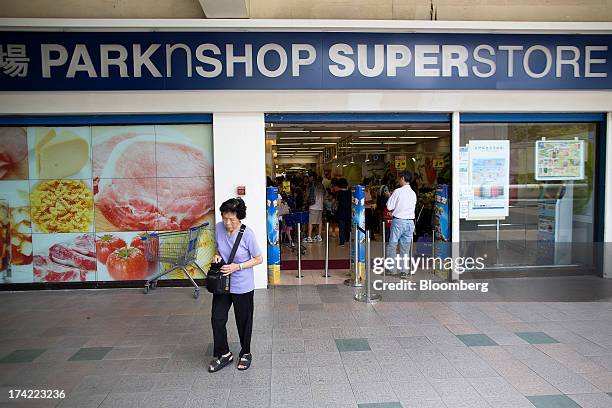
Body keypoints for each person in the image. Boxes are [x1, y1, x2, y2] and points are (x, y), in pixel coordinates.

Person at [209, 198, 263, 373]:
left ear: (239, 218)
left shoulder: (248, 234)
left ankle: (245, 353)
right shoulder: (218, 228)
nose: (227, 222)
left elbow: (258, 259)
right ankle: (223, 353)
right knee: (217, 318)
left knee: (243, 321)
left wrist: (237, 266)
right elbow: (219, 248)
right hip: (223, 284)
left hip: (242, 285)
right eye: (225, 218)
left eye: (231, 219)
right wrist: (217, 256)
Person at [386, 171, 417, 279]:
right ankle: (404, 271)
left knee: (393, 245)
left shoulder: (398, 191)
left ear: (403, 178)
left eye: (399, 178)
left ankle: (392, 269)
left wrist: (389, 196)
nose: (399, 180)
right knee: (405, 247)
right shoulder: (413, 193)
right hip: (410, 222)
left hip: (399, 221)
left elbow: (389, 206)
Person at [305, 175, 325, 243]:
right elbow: (325, 194)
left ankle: (309, 237)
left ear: (312, 177)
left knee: (311, 222)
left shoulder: (311, 185)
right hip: (320, 206)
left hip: (313, 206)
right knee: (319, 221)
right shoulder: (321, 185)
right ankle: (319, 236)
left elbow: (307, 195)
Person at [335, 178, 352, 247]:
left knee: (341, 227)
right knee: (348, 226)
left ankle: (342, 242)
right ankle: (347, 239)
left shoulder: (338, 193)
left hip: (341, 211)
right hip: (348, 211)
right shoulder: (349, 192)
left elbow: (338, 202)